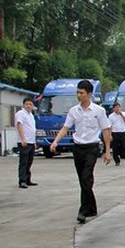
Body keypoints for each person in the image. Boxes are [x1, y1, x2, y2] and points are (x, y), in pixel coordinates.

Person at [50, 80, 112, 223]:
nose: (79, 95)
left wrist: (107, 151)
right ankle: (92, 207)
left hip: (92, 147)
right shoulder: (73, 111)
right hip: (78, 148)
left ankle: (83, 210)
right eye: (77, 92)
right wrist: (55, 141)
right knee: (83, 180)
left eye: (81, 93)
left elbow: (106, 130)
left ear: (89, 94)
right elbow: (65, 128)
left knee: (86, 178)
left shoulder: (99, 111)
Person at [15, 97, 37, 188]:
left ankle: (28, 179)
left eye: (30, 104)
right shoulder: (21, 113)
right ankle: (22, 180)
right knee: (24, 162)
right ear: (23, 105)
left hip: (31, 141)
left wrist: (34, 142)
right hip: (24, 141)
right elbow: (19, 124)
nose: (28, 106)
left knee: (29, 161)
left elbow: (32, 129)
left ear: (33, 106)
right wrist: (23, 138)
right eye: (26, 104)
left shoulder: (31, 115)